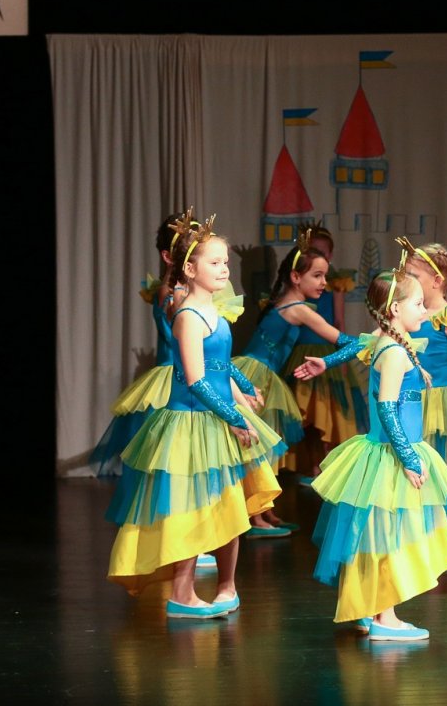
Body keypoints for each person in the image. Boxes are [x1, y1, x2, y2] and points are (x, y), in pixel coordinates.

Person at [299, 239, 447, 560]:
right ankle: (429, 538)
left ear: (436, 280)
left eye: (414, 276)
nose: (407, 280)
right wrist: (327, 362)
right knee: (424, 473)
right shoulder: (405, 319)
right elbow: (365, 342)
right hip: (417, 403)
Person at [106, 217, 286, 619]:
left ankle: (227, 587)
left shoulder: (215, 310)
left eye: (225, 262)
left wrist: (242, 390)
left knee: (228, 507)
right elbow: (196, 379)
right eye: (214, 263)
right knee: (190, 507)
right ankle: (182, 593)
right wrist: (233, 416)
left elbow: (221, 363)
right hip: (192, 421)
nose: (224, 269)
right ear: (189, 268)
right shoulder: (187, 315)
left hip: (219, 419)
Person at [310, 266, 447, 641]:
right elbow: (387, 409)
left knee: (377, 535)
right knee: (389, 537)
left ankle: (370, 610)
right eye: (418, 304)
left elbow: (356, 345)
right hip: (393, 454)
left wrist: (327, 362)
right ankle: (384, 618)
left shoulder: (387, 339)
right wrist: (409, 458)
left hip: (393, 450)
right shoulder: (392, 351)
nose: (425, 310)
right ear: (395, 309)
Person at [235, 228, 359, 534]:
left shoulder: (285, 303)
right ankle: (254, 517)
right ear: (295, 277)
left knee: (261, 447)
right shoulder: (298, 310)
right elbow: (345, 341)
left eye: (325, 276)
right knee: (257, 449)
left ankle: (263, 512)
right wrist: (381, 340)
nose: (324, 283)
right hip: (256, 376)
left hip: (262, 374)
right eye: (317, 276)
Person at [283, 224, 367, 472]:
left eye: (323, 252)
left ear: (330, 255)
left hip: (327, 353)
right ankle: (308, 467)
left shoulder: (335, 284)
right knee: (304, 414)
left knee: (329, 413)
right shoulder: (299, 287)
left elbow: (338, 323)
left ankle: (326, 468)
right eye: (314, 251)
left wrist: (341, 359)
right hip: (301, 353)